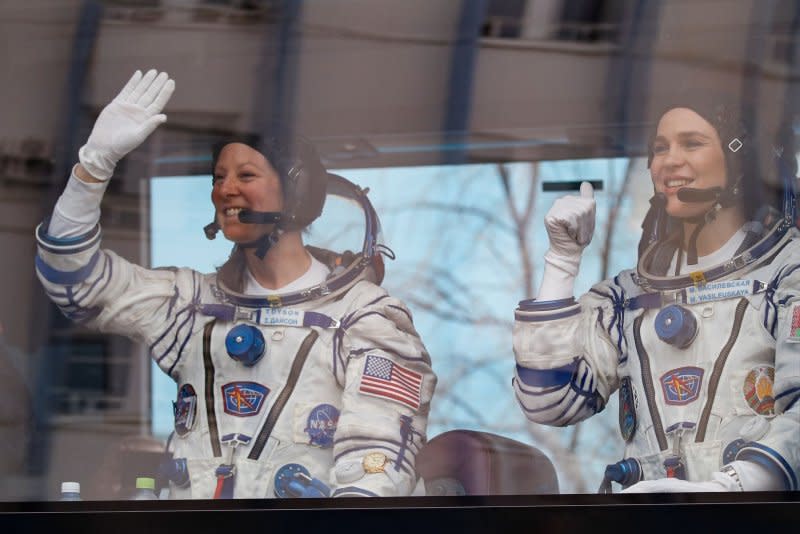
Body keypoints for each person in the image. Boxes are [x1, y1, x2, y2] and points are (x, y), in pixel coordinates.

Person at [35, 69, 436, 499]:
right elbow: (76, 283)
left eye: (245, 176)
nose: (226, 190)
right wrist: (92, 168)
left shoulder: (362, 317)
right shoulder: (192, 306)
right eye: (219, 177)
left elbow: (374, 466)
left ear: (295, 191)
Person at [512, 93, 799, 493]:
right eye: (659, 148)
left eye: (692, 143)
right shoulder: (628, 297)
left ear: (741, 161)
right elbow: (547, 400)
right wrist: (562, 262)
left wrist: (730, 489)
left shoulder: (786, 274)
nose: (668, 161)